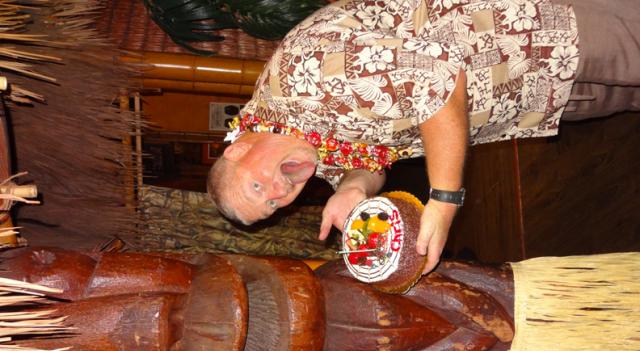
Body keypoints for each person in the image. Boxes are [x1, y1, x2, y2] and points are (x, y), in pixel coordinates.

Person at [208, 0, 640, 274]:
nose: (279, 192)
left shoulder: (303, 78)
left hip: (534, 31)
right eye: (271, 205)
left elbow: (439, 78)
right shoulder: (290, 138)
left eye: (258, 186)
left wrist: (444, 200)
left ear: (239, 148)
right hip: (532, 95)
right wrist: (353, 186)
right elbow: (372, 160)